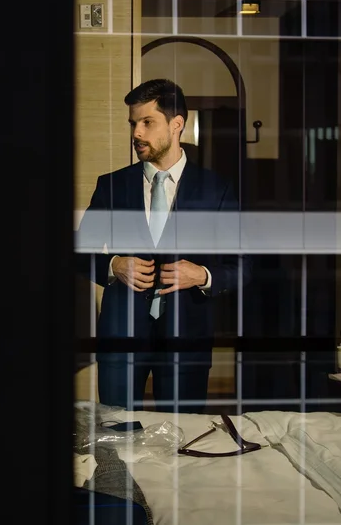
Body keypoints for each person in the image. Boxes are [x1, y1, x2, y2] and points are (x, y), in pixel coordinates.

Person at [76, 79, 245, 413]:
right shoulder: (112, 185)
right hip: (120, 336)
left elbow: (243, 265)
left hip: (187, 340)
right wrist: (113, 266)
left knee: (183, 437)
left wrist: (203, 275)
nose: (137, 133)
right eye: (133, 123)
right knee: (116, 432)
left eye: (147, 122)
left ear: (176, 124)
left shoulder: (217, 189)